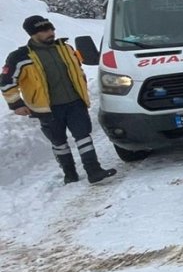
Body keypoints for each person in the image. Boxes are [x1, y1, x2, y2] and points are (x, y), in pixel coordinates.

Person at [2, 15, 117, 184]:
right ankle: (70, 173)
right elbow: (6, 82)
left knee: (83, 136)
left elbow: (78, 70)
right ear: (33, 34)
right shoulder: (20, 57)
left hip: (74, 102)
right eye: (45, 30)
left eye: (51, 29)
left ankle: (94, 170)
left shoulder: (66, 48)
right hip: (46, 108)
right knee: (59, 142)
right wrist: (16, 104)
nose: (51, 32)